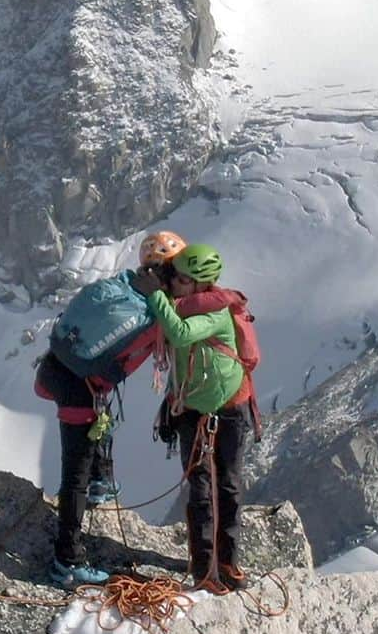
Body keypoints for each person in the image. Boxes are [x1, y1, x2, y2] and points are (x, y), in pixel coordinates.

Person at [35, 230, 187, 587]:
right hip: (80, 388)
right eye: (179, 273)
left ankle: (101, 480)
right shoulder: (149, 312)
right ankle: (66, 561)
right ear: (165, 273)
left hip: (58, 370)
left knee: (90, 449)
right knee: (75, 476)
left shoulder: (124, 286)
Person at [133, 243, 250, 594]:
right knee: (204, 488)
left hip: (223, 409)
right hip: (200, 408)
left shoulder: (215, 311)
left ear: (201, 284)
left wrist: (155, 297)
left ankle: (225, 562)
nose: (176, 285)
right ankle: (206, 570)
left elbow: (180, 334)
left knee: (224, 485)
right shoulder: (185, 305)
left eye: (182, 279)